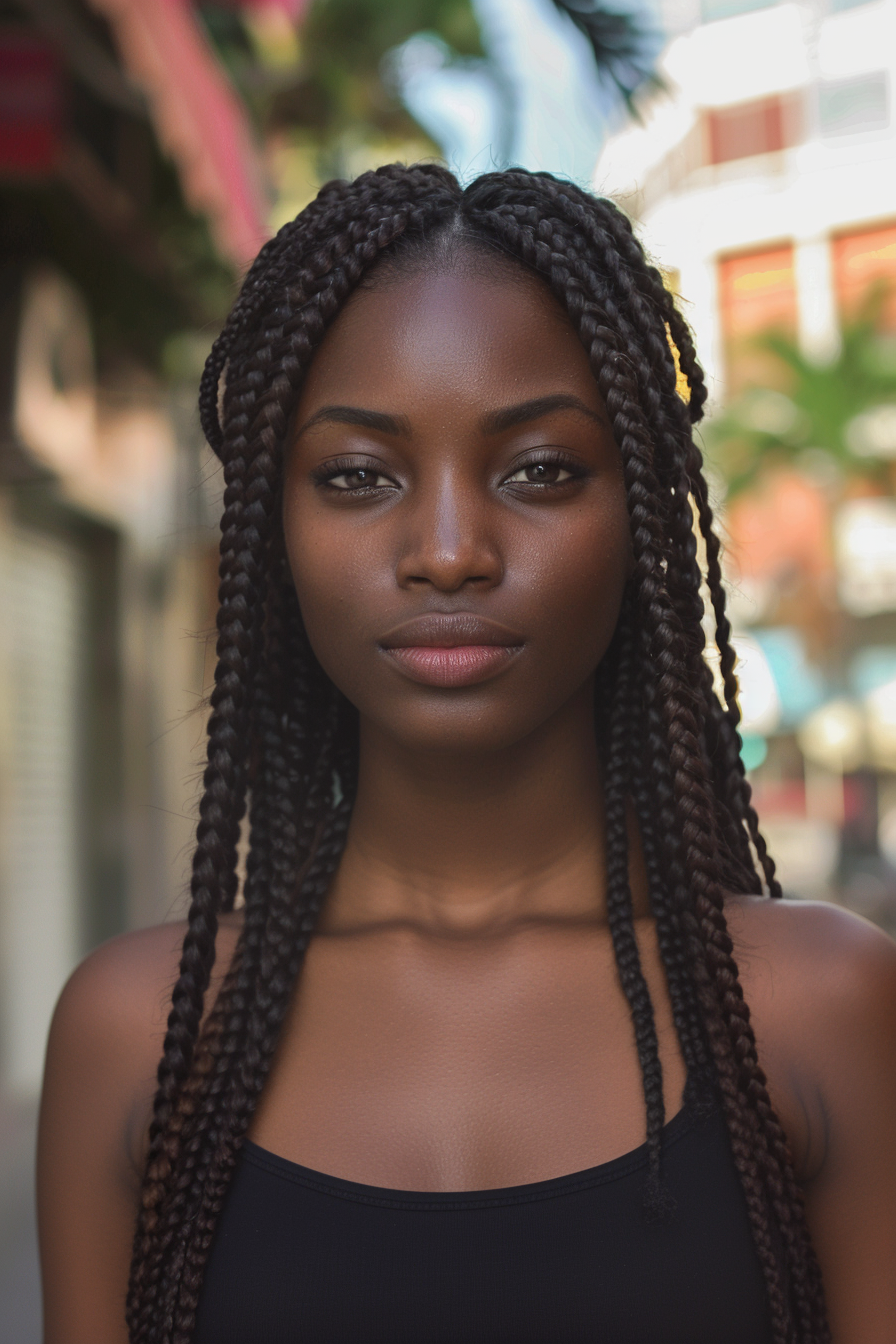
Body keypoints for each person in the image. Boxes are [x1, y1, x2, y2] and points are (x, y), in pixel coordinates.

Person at [37, 164, 896, 1344]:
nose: (447, 551)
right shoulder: (139, 1035)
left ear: (642, 510)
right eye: (357, 476)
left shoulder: (815, 1008)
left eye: (538, 470)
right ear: (269, 530)